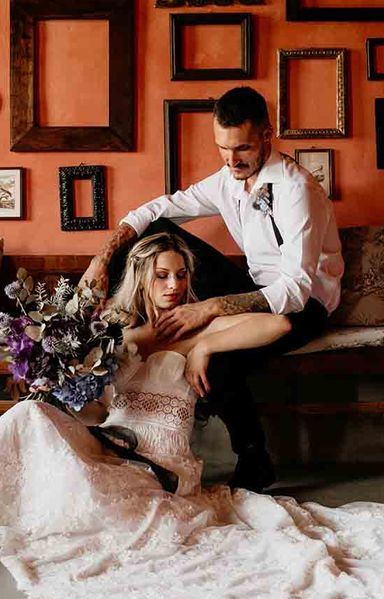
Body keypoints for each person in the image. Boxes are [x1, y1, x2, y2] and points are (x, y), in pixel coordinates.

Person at [0, 232, 384, 599]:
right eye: (162, 276)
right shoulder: (114, 330)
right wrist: (108, 355)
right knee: (30, 414)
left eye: (180, 276)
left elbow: (278, 327)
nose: (174, 286)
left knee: (84, 495)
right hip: (107, 444)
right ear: (142, 277)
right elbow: (88, 405)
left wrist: (203, 348)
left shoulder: (199, 328)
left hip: (160, 469)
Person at [81, 86, 344, 495]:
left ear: (267, 135)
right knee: (153, 231)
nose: (231, 160)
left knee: (218, 355)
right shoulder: (227, 179)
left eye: (241, 149)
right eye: (222, 149)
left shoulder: (297, 190)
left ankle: (254, 458)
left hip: (305, 305)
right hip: (255, 286)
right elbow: (152, 211)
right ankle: (107, 336)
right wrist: (101, 259)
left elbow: (294, 290)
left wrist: (209, 311)